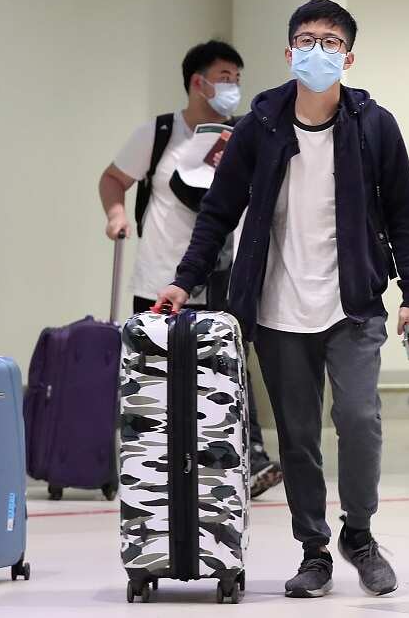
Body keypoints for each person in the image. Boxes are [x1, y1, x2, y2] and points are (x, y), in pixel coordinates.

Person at [157, 0, 409, 599]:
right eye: (307, 40)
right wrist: (185, 279)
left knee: (360, 420)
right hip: (277, 309)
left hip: (353, 303)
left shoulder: (373, 125)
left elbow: (407, 213)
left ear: (349, 57)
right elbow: (219, 212)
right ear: (288, 53)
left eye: (331, 42)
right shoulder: (260, 126)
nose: (318, 50)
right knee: (298, 439)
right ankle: (314, 551)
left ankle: (358, 533)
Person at [99, 40, 284, 497]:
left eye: (238, 79)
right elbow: (113, 179)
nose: (232, 87)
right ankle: (151, 465)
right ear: (196, 81)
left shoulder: (242, 135)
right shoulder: (159, 133)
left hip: (224, 274)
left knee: (229, 367)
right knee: (156, 373)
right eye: (224, 77)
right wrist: (116, 214)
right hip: (162, 275)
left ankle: (246, 460)